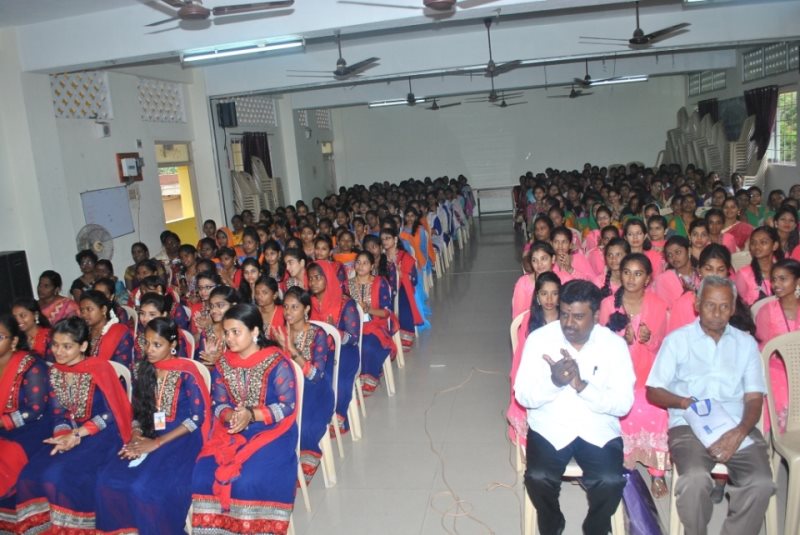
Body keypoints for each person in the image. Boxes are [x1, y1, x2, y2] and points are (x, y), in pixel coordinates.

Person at [646, 276, 775, 535]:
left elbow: (753, 397)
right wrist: (683, 402)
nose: (717, 313)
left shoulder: (746, 344)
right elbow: (653, 390)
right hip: (689, 424)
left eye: (724, 306)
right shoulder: (677, 340)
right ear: (697, 304)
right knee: (693, 481)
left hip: (737, 423)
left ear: (733, 307)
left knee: (760, 483)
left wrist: (739, 432)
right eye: (710, 305)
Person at [515, 279, 635, 535]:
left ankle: (595, 528)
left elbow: (623, 404)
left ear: (596, 315)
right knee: (537, 478)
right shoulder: (539, 340)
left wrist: (582, 386)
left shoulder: (613, 346)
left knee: (610, 481)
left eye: (578, 317)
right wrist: (554, 383)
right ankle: (552, 524)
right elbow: (523, 395)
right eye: (564, 314)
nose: (569, 323)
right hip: (551, 426)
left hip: (597, 427)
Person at [15, 316, 132, 532]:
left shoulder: (99, 369)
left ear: (83, 346)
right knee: (29, 475)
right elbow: (58, 412)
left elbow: (111, 414)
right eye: (55, 345)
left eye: (67, 346)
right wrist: (63, 436)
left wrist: (78, 434)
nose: (59, 351)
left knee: (58, 475)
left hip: (103, 434)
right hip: (69, 433)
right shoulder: (55, 371)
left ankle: (74, 528)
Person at [95, 317, 210, 534]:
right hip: (149, 432)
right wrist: (136, 434)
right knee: (107, 480)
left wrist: (156, 443)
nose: (149, 350)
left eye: (157, 344)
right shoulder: (143, 369)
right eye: (146, 343)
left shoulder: (186, 372)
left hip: (181, 437)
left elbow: (197, 418)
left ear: (172, 344)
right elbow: (139, 412)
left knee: (145, 487)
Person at [190, 304, 298, 534]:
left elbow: (287, 406)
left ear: (255, 331)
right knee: (202, 474)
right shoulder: (224, 363)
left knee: (248, 479)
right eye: (226, 332)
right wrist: (232, 416)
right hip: (231, 430)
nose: (229, 338)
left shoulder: (276, 361)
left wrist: (251, 415)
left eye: (235, 332)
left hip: (272, 431)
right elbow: (218, 403)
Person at [599, 254, 670, 497]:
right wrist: (621, 339)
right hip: (617, 372)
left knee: (655, 407)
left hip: (648, 372)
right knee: (620, 403)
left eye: (638, 273)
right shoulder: (608, 304)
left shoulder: (658, 304)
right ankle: (623, 462)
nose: (631, 278)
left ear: (648, 278)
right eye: (627, 272)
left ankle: (657, 472)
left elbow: (664, 347)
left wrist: (650, 340)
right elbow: (601, 344)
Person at [276, 287, 334, 483]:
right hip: (286, 388)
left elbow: (316, 376)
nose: (288, 312)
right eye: (286, 307)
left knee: (306, 423)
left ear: (306, 309)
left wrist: (292, 350)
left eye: (294, 307)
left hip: (315, 389)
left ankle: (306, 458)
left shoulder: (318, 334)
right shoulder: (279, 333)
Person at [0, 315, 51, 531]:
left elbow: (35, 410)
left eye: (0, 337)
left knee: (5, 456)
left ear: (13, 341)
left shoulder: (31, 365)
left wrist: (2, 422)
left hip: (30, 428)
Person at [507, 271, 561, 448]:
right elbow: (522, 360)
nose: (549, 299)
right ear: (537, 296)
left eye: (554, 293)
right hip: (536, 377)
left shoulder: (567, 321)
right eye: (544, 294)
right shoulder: (529, 322)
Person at [308, 261, 361, 433]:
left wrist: (335, 331)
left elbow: (354, 338)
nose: (313, 282)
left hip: (345, 351)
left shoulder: (345, 303)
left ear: (328, 278)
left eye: (317, 278)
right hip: (318, 350)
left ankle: (337, 417)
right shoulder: (308, 304)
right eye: (310, 278)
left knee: (330, 375)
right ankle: (314, 418)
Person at [754, 257, 800, 434]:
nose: (776, 284)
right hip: (777, 370)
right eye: (774, 279)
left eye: (783, 279)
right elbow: (764, 351)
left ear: (797, 281)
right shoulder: (767, 311)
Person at [349, 251, 395, 394]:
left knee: (366, 345)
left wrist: (369, 310)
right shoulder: (347, 285)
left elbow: (386, 312)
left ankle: (368, 381)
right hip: (352, 328)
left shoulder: (380, 283)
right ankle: (351, 383)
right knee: (345, 347)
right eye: (358, 262)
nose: (361, 266)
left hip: (376, 326)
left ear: (372, 266)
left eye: (365, 263)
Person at [381, 227, 423, 349]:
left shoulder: (404, 256)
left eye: (388, 238)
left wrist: (401, 274)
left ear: (395, 239)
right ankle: (385, 334)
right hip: (386, 288)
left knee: (403, 299)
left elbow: (414, 279)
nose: (385, 241)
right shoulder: (381, 257)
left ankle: (405, 334)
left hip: (402, 287)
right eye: (382, 239)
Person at [79, 290, 134, 371]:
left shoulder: (119, 332)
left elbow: (121, 367)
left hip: (110, 376)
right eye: (82, 310)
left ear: (103, 310)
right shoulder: (83, 330)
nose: (84, 314)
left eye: (89, 309)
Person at [734, 226, 782, 306]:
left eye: (763, 242)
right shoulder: (743, 274)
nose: (757, 247)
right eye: (753, 243)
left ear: (775, 246)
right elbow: (740, 306)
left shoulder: (784, 271)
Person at [195, 286, 239, 367]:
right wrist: (210, 362)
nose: (213, 311)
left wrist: (220, 361)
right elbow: (203, 367)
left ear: (233, 306)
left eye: (220, 305)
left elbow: (246, 365)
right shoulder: (207, 332)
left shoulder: (241, 332)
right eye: (212, 306)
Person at [255, 275, 285, 342]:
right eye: (257, 292)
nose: (259, 296)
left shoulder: (283, 312)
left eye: (264, 293)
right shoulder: (253, 312)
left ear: (275, 295)